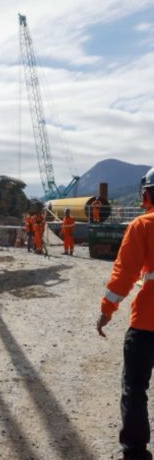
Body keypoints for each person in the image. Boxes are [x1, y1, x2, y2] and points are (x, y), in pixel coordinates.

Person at [96, 167, 154, 460]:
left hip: (147, 324)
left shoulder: (142, 225)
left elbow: (123, 275)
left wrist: (107, 310)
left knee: (135, 387)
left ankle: (135, 453)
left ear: (146, 195)